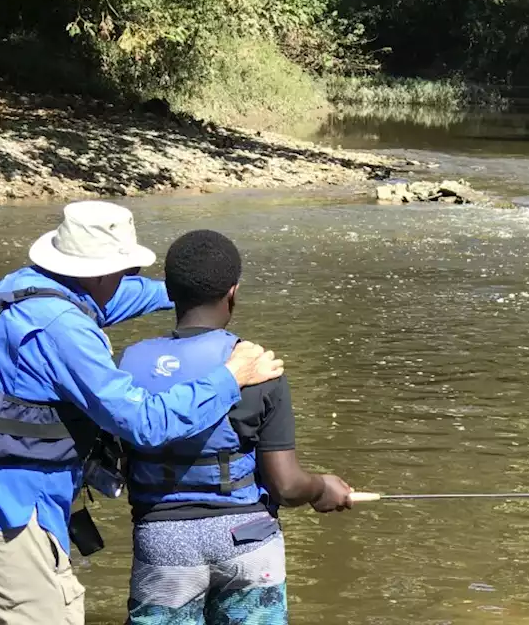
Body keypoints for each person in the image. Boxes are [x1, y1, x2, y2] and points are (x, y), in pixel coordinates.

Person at [0, 201, 285, 625]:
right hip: (7, 519)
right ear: (98, 273)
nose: (127, 278)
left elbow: (120, 298)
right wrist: (230, 375)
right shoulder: (63, 328)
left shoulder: (14, 290)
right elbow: (144, 423)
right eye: (124, 270)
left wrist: (186, 290)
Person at [118, 229, 355, 625]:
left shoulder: (128, 367)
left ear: (169, 294)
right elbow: (287, 485)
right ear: (233, 292)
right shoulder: (258, 367)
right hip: (247, 538)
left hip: (163, 542)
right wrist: (323, 487)